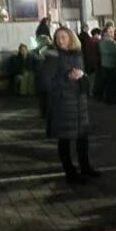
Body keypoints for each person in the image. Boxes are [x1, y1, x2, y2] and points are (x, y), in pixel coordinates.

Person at [46, 28, 98, 185]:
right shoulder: (53, 57)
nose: (60, 40)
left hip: (79, 103)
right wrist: (66, 78)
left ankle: (85, 166)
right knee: (65, 139)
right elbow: (46, 82)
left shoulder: (77, 55)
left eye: (64, 37)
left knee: (82, 137)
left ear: (71, 38)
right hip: (63, 103)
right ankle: (70, 172)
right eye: (57, 37)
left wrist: (82, 76)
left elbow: (85, 79)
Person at [98, 26, 116, 104]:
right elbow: (111, 52)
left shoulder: (110, 41)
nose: (112, 33)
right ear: (105, 33)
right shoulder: (105, 41)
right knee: (112, 84)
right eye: (110, 31)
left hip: (110, 64)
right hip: (109, 65)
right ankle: (112, 99)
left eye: (112, 31)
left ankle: (110, 99)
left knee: (111, 84)